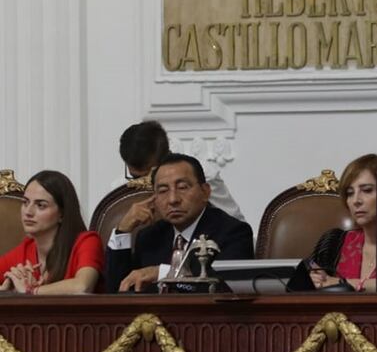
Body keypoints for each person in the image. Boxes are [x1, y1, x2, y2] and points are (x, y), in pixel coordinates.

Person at [107, 153, 254, 292]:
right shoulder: (149, 237)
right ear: (154, 198)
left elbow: (223, 287)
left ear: (205, 192)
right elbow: (117, 292)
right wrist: (123, 231)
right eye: (163, 190)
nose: (173, 199)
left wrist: (163, 273)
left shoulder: (233, 232)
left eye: (182, 187)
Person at [297, 154, 377, 293]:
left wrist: (341, 283)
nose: (356, 200)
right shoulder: (333, 244)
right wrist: (314, 280)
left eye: (367, 190)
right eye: (350, 193)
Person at [119, 120, 245, 221]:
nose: (143, 183)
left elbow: (236, 224)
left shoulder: (203, 175)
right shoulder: (119, 190)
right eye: (136, 177)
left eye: (148, 177)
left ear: (165, 158)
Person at [0, 170, 103, 294]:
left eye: (41, 205)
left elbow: (82, 286)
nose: (28, 212)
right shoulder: (26, 248)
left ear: (62, 214)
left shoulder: (87, 241)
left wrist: (31, 291)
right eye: (25, 202)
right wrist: (4, 292)